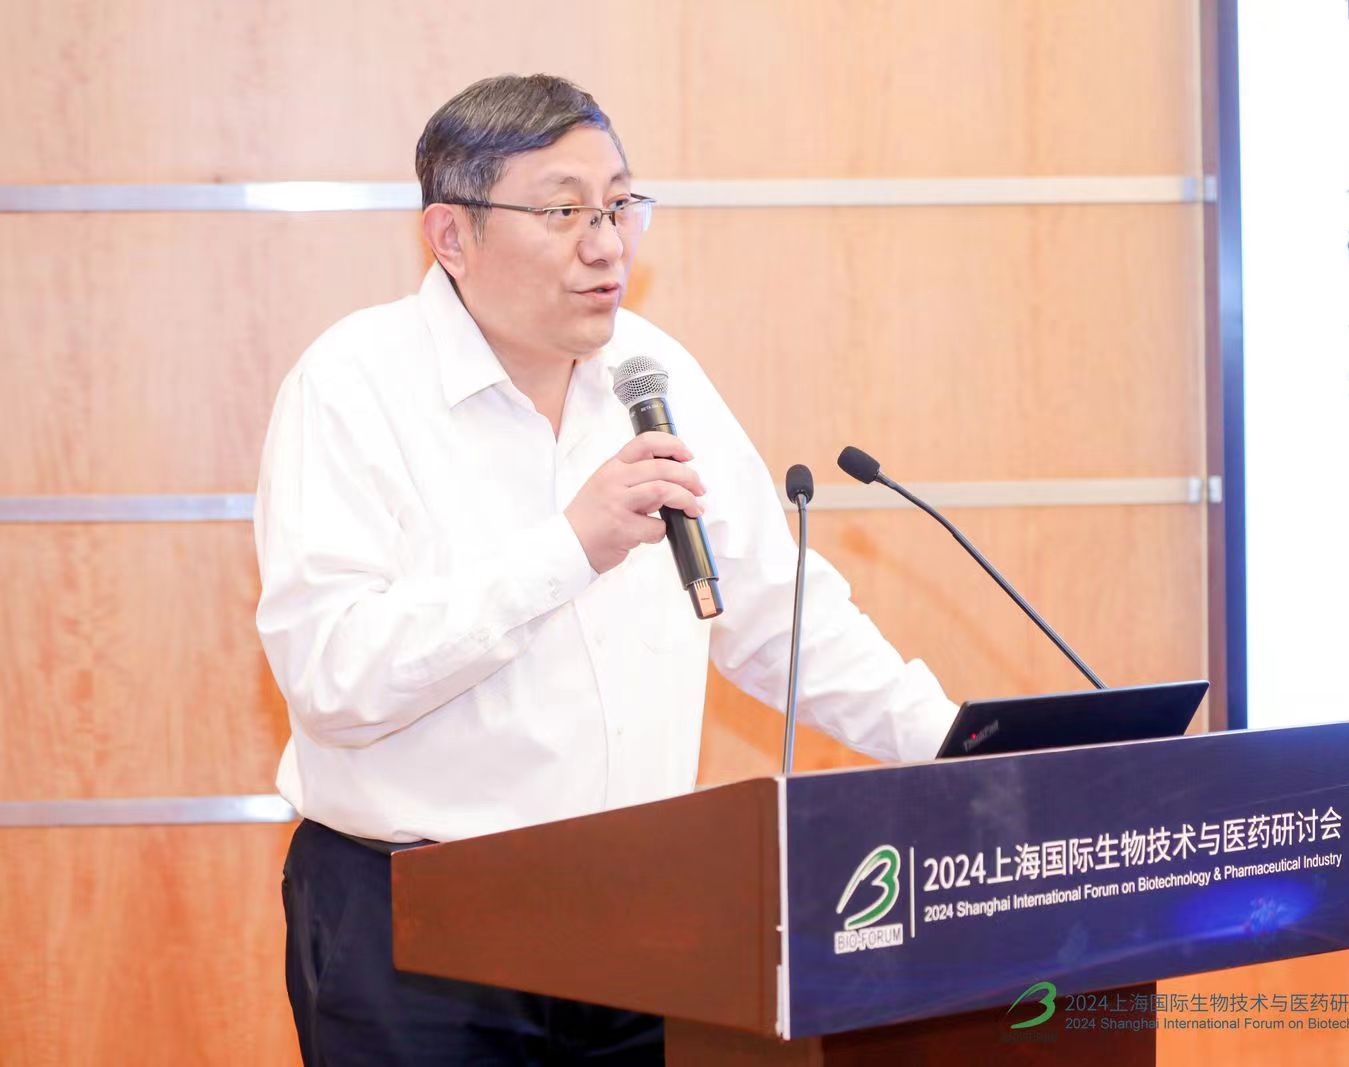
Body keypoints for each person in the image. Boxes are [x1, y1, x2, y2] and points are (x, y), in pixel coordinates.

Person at [255, 73, 956, 1065]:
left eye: (620, 205)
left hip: (641, 917)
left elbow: (777, 617)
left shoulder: (654, 372)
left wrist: (958, 751)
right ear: (451, 235)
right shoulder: (352, 386)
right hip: (416, 931)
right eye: (563, 211)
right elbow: (335, 679)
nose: (607, 244)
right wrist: (568, 548)